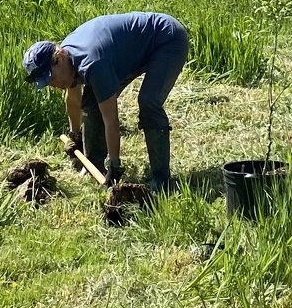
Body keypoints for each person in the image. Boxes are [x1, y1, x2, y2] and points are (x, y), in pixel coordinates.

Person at [24, 11, 189, 192]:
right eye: (49, 83)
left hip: (167, 38)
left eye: (52, 78)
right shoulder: (68, 60)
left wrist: (115, 165)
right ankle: (93, 164)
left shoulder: (93, 63)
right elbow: (73, 100)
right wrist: (75, 136)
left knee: (149, 101)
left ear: (60, 58)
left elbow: (111, 120)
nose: (55, 85)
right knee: (93, 100)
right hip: (128, 54)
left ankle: (161, 180)